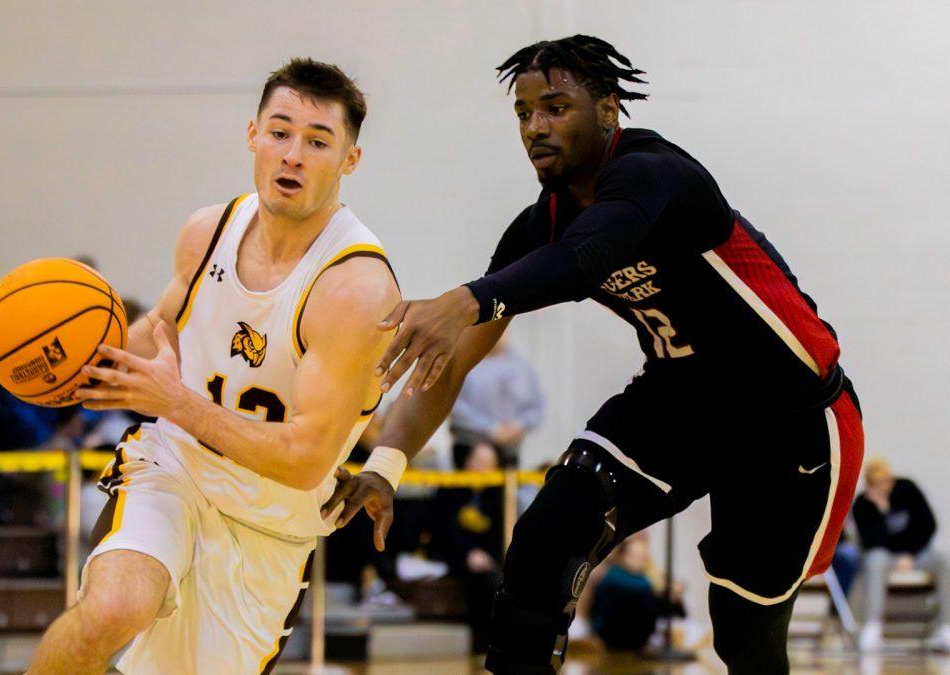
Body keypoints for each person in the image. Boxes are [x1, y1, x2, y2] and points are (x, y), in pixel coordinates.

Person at [324, 35, 864, 674]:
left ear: (609, 108)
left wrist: (468, 297)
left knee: (743, 637)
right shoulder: (539, 224)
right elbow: (456, 359)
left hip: (790, 416)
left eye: (555, 107)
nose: (535, 127)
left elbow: (584, 261)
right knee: (546, 536)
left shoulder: (655, 172)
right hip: (680, 400)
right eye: (523, 113)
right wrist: (388, 462)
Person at [27, 58, 400, 674]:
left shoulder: (354, 289)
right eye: (280, 132)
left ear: (349, 161)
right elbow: (162, 333)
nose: (293, 155)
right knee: (114, 607)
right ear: (252, 134)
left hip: (269, 525)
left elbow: (307, 458)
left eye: (317, 141)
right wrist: (85, 360)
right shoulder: (207, 231)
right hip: (173, 467)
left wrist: (175, 401)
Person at [852, 457, 950, 652]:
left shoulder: (907, 489)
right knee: (874, 561)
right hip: (886, 556)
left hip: (915, 553)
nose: (884, 486)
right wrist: (881, 510)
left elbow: (927, 525)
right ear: (869, 483)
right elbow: (870, 542)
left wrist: (909, 553)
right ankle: (873, 628)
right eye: (878, 482)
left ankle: (945, 628)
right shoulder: (862, 505)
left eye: (887, 480)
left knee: (944, 560)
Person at [428, 441, 506, 654]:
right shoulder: (450, 489)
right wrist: (468, 553)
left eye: (487, 463)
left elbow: (501, 535)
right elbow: (442, 529)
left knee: (494, 581)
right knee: (487, 582)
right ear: (467, 462)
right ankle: (482, 647)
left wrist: (487, 556)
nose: (481, 467)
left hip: (487, 562)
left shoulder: (500, 496)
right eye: (477, 461)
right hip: (452, 557)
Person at [449, 336, 544, 467]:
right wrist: (491, 428)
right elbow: (455, 406)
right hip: (470, 450)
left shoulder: (522, 367)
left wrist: (519, 424)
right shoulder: (465, 363)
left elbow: (536, 407)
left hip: (509, 451)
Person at [589, 537, 684, 653]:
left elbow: (674, 610)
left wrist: (673, 595)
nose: (638, 561)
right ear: (621, 556)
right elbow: (641, 589)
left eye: (642, 557)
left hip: (638, 643)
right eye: (633, 557)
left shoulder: (644, 579)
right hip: (613, 641)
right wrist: (661, 585)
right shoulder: (614, 575)